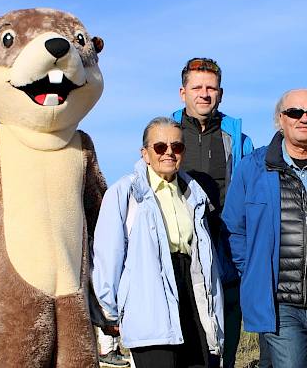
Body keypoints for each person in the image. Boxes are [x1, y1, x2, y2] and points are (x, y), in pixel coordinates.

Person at [92, 117, 224, 368]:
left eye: (177, 147)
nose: (169, 153)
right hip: (148, 302)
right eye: (160, 147)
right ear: (145, 153)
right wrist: (109, 309)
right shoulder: (125, 193)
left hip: (191, 297)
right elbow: (108, 253)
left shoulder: (194, 193)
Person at [222, 89, 307, 368]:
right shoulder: (254, 167)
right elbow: (235, 229)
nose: (304, 119)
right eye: (295, 112)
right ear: (280, 120)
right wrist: (252, 270)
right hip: (278, 304)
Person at [171, 57, 254, 368]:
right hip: (181, 248)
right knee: (186, 340)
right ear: (183, 92)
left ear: (220, 93)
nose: (204, 94)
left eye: (211, 88)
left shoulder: (238, 139)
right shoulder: (167, 136)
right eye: (197, 87)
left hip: (225, 249)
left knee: (226, 339)